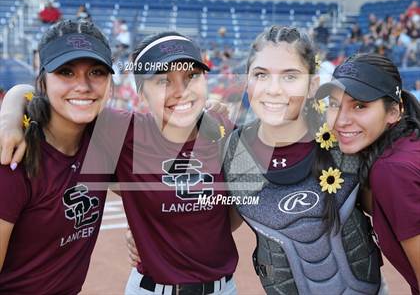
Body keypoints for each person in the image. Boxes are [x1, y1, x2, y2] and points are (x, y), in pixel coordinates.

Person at [0, 31, 239, 295]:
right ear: (142, 95)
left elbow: (232, 213)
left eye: (191, 76)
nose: (180, 91)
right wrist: (10, 113)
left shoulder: (225, 129)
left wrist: (159, 232)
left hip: (223, 288)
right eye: (162, 81)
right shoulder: (120, 130)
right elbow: (45, 95)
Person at [222, 26, 382, 294]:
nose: (273, 90)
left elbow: (396, 213)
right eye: (260, 75)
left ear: (312, 86)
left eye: (290, 77)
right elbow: (212, 227)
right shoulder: (235, 153)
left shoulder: (345, 138)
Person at [0, 19, 114, 293]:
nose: (83, 86)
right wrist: (10, 115)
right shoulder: (14, 159)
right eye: (66, 72)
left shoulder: (107, 138)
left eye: (96, 72)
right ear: (43, 81)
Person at [316, 53, 420, 295]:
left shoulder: (393, 170)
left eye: (360, 105)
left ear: (394, 112)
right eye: (334, 104)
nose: (340, 121)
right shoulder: (407, 145)